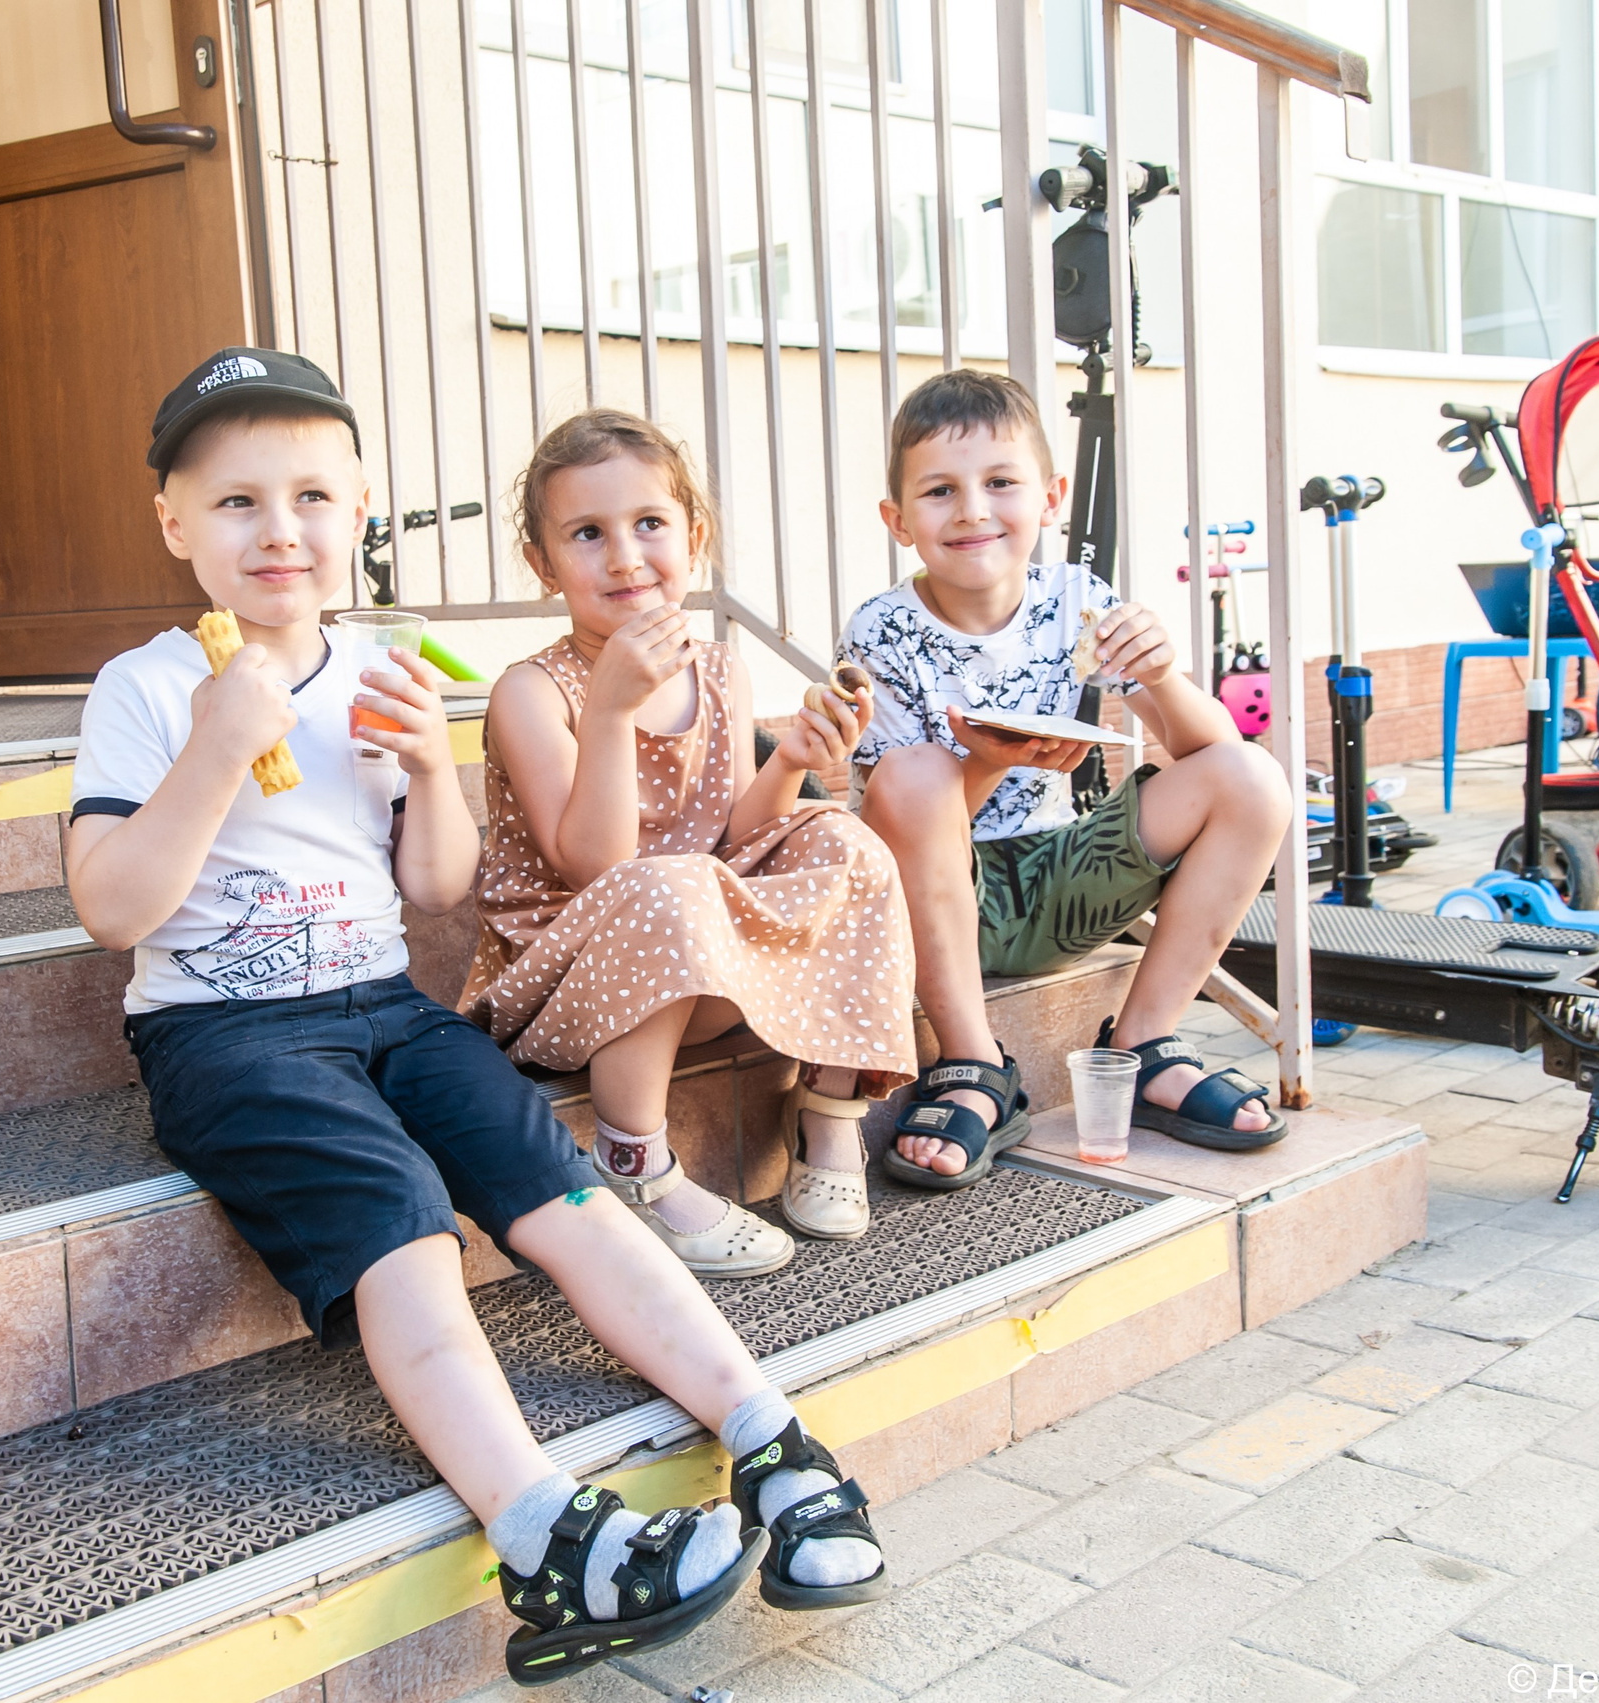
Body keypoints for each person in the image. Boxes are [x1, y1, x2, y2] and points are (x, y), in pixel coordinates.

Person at [66, 351, 888, 1684]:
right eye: (236, 502)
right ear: (174, 523)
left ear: (358, 511)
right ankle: (542, 1532)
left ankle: (771, 1434)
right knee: (404, 1216)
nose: (280, 530)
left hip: (387, 1003)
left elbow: (436, 882)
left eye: (313, 497)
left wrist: (422, 765)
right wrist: (219, 744)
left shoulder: (376, 667)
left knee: (561, 1187)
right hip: (227, 1030)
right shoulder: (147, 686)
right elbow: (112, 907)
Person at [464, 409, 918, 1270]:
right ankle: (634, 1165)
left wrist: (791, 760)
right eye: (587, 534)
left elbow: (736, 831)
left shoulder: (718, 667)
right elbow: (597, 866)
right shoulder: (533, 692)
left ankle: (829, 1108)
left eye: (648, 523)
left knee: (840, 837)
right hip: (563, 984)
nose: (624, 557)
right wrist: (610, 709)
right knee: (665, 881)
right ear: (543, 564)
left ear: (694, 539)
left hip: (693, 959)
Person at [843, 368, 1295, 1186]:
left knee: (1252, 779)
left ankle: (1144, 1042)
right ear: (898, 520)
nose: (972, 510)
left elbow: (1210, 751)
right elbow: (900, 820)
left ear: (1051, 498)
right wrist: (989, 760)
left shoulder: (1076, 600)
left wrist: (1161, 675)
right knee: (913, 774)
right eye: (940, 490)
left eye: (1001, 482)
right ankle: (974, 1063)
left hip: (1062, 878)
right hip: (938, 898)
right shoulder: (884, 630)